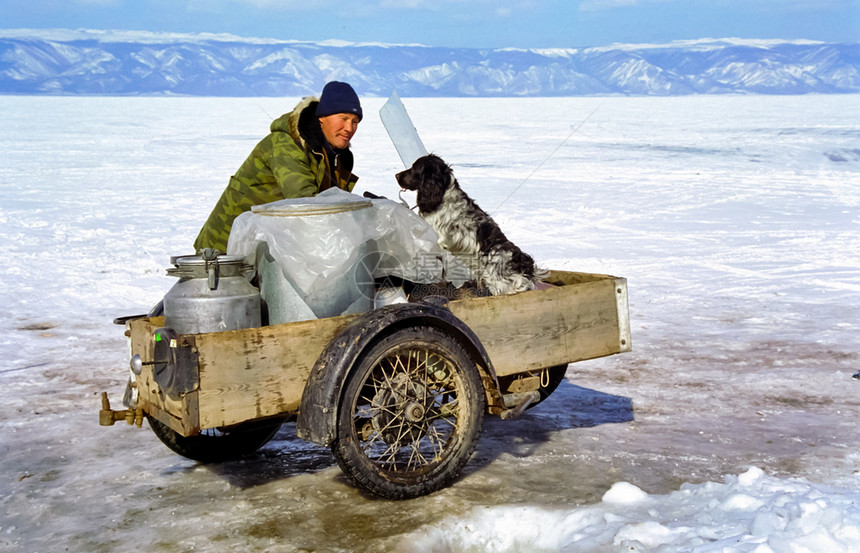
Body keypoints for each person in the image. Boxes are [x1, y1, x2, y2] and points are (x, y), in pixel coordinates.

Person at [193, 81, 363, 253]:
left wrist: (366, 212)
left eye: (355, 121)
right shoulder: (285, 145)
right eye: (343, 119)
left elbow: (333, 203)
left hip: (265, 245)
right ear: (322, 118)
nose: (349, 128)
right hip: (225, 250)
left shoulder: (336, 156)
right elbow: (305, 203)